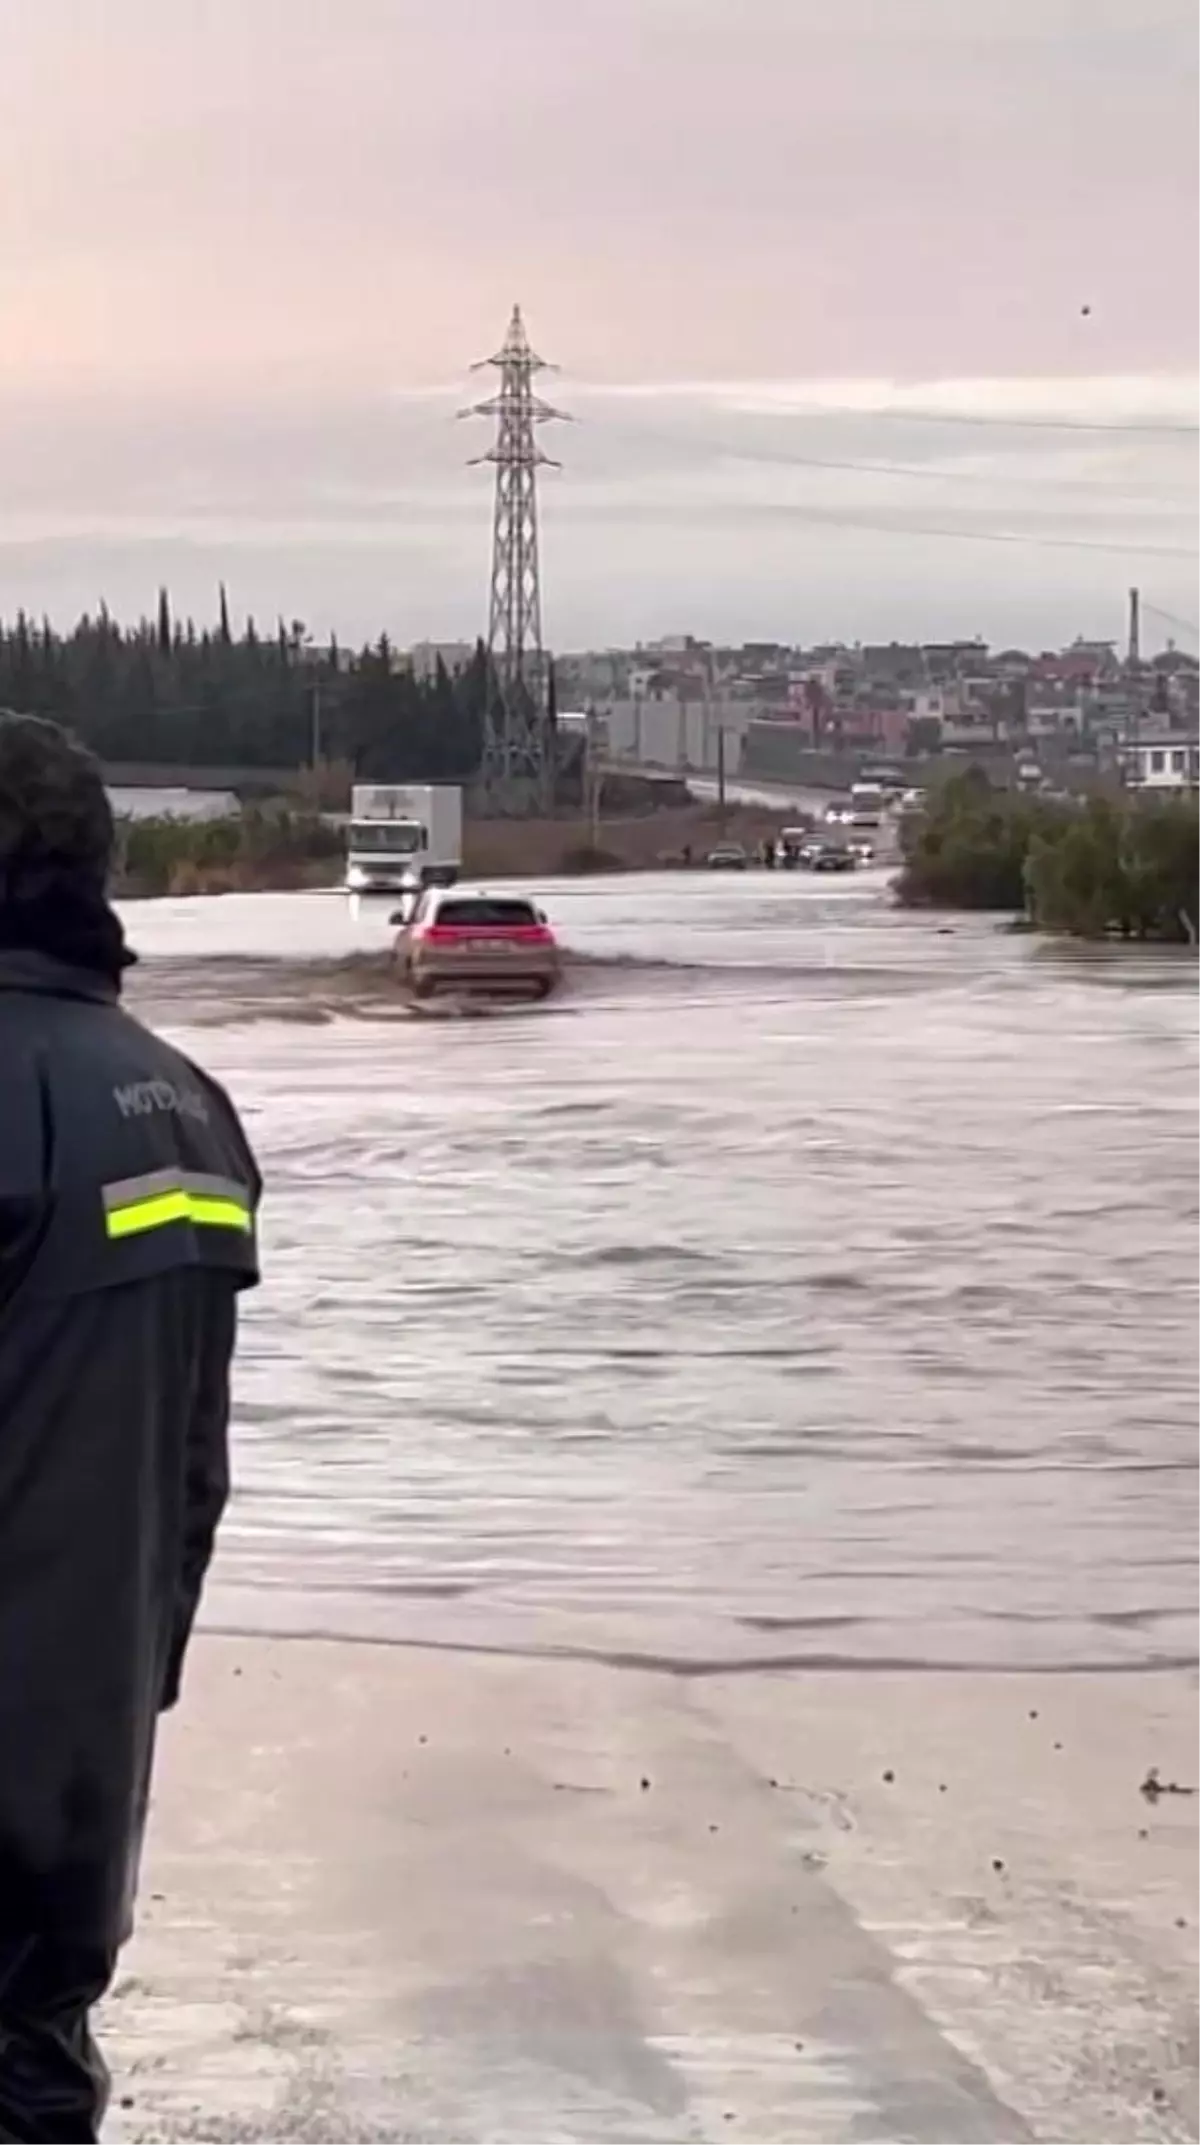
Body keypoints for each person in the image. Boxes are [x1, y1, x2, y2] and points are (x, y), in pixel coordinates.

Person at [0, 713, 260, 2140]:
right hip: (80, 1743)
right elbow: (195, 1472)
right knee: (35, 2070)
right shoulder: (184, 1106)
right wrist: (132, 1676)